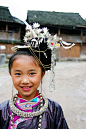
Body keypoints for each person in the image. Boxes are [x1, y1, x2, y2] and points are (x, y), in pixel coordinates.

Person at [0, 22, 73, 129]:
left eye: (32, 73)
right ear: (11, 74)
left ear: (42, 74)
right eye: (18, 74)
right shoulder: (2, 110)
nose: (25, 80)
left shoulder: (54, 110)